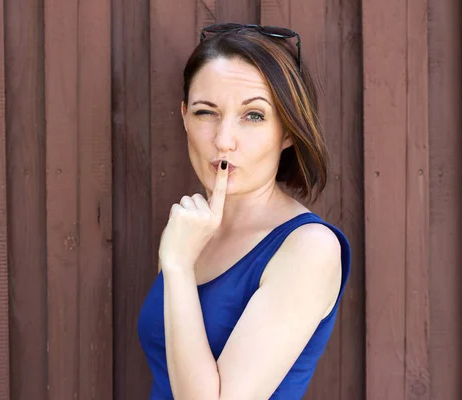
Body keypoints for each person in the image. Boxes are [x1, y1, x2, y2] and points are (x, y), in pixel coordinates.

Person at [137, 23, 352, 399]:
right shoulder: (188, 232)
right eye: (206, 113)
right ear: (184, 116)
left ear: (287, 130)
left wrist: (177, 267)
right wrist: (179, 260)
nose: (223, 140)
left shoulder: (309, 248)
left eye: (253, 116)